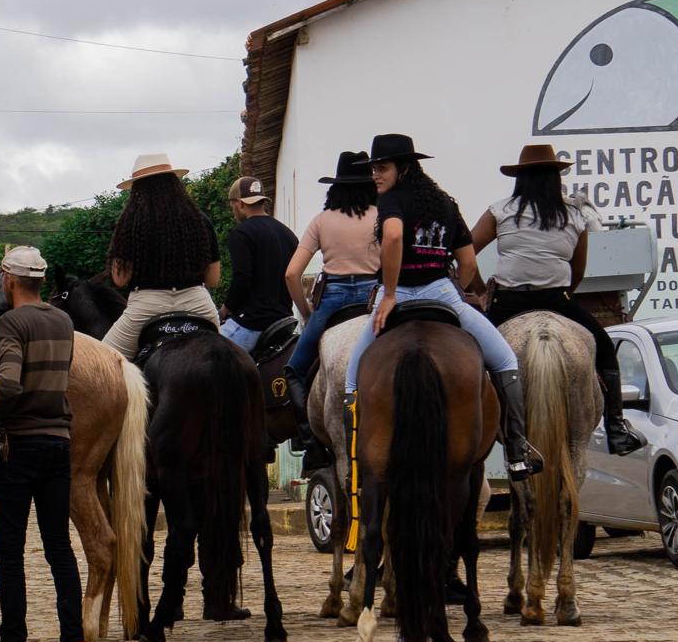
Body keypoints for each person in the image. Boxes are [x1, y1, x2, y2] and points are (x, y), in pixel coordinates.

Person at [344, 133, 540, 481]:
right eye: (373, 168)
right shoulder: (445, 203)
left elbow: (393, 236)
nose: (375, 174)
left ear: (404, 168)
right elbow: (468, 262)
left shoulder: (391, 200)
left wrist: (390, 293)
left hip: (398, 296)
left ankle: (354, 464)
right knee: (505, 361)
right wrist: (455, 291)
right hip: (443, 293)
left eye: (382, 167)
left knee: (350, 379)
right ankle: (517, 450)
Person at [472, 144, 645, 456]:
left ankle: (470, 430)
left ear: (520, 179)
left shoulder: (499, 211)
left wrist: (481, 290)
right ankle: (617, 428)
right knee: (605, 350)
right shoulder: (574, 216)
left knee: (470, 354)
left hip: (507, 302)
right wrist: (563, 294)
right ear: (555, 178)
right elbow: (577, 270)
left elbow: (467, 252)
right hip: (557, 300)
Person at [0, 246, 85, 642]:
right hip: (58, 443)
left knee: (10, 553)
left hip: (17, 446)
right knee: (59, 548)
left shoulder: (11, 323)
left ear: (9, 281)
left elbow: (11, 383)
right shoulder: (63, 321)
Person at [281, 151, 381, 451]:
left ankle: (311, 445)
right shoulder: (383, 217)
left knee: (295, 369)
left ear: (335, 186)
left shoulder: (322, 221)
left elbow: (291, 274)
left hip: (333, 300)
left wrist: (306, 313)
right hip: (375, 297)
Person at [99, 154, 223, 358]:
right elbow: (213, 279)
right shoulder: (199, 220)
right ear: (174, 183)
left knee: (102, 363)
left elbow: (120, 280)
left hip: (147, 306)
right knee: (229, 362)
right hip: (197, 304)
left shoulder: (130, 224)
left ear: (137, 189)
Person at [219, 176, 300, 353]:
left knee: (209, 353)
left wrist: (225, 310)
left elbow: (242, 280)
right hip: (284, 320)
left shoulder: (240, 234)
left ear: (239, 204)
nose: (233, 211)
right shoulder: (288, 234)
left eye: (232, 206)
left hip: (253, 322)